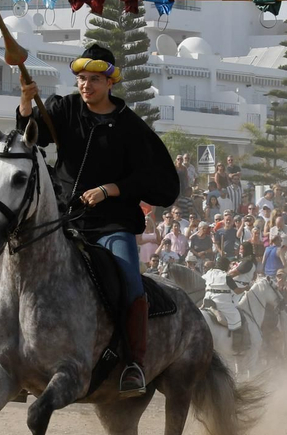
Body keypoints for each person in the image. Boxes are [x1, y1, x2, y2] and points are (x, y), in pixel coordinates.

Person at [18, 42, 181, 396]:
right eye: (80, 78)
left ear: (110, 83)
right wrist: (27, 103)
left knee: (130, 282)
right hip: (63, 220)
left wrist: (111, 189)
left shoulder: (132, 128)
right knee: (18, 269)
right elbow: (34, 138)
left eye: (93, 79)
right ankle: (14, 365)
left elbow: (162, 184)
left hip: (111, 226)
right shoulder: (64, 108)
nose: (84, 85)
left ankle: (135, 364)